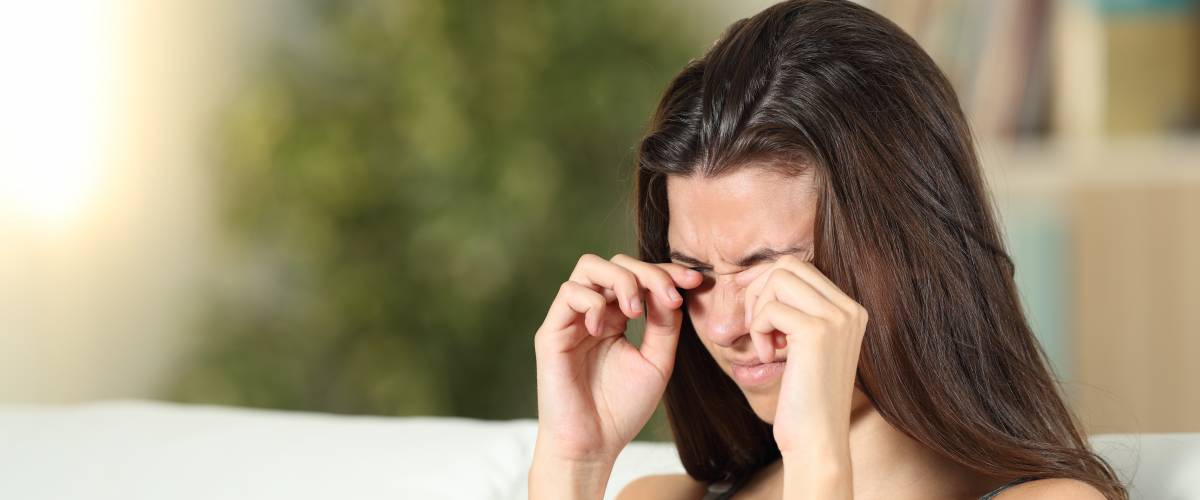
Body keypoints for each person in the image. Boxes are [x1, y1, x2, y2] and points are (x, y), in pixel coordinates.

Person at [527, 0, 1127, 498]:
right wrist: (573, 463)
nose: (730, 326)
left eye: (774, 273)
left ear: (913, 250)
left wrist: (818, 459)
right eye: (697, 274)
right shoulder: (660, 498)